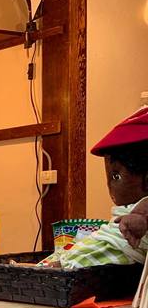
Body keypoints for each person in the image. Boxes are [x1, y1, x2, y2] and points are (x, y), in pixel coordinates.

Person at [42, 107, 148, 269]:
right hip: (111, 242)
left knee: (87, 256)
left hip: (120, 249)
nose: (109, 185)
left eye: (116, 177)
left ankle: (59, 268)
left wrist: (139, 218)